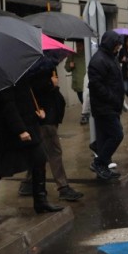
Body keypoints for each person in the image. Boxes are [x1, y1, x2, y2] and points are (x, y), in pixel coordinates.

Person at [0, 77, 63, 219]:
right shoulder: (4, 78)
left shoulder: (22, 74)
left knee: (40, 159)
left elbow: (27, 96)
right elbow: (8, 105)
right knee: (0, 167)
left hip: (29, 125)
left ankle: (41, 201)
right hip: (9, 130)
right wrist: (20, 129)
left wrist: (39, 111)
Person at [15, 68, 84, 202]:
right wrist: (50, 83)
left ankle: (28, 183)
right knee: (54, 152)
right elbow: (31, 89)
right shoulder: (32, 68)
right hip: (44, 116)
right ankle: (63, 186)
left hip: (49, 115)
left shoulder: (43, 64)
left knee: (41, 152)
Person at [88, 30, 125, 181]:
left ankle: (100, 158)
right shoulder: (99, 61)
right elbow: (96, 85)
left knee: (105, 136)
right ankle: (99, 162)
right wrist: (113, 98)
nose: (119, 48)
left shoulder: (110, 57)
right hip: (104, 107)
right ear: (111, 44)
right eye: (117, 45)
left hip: (111, 106)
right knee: (117, 134)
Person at [64, 40, 88, 125]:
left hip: (86, 83)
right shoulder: (72, 55)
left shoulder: (87, 54)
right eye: (77, 45)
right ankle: (86, 114)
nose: (78, 47)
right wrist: (70, 66)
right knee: (82, 100)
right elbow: (67, 68)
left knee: (85, 100)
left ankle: (85, 115)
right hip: (77, 83)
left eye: (80, 45)